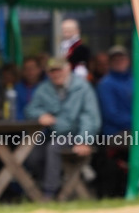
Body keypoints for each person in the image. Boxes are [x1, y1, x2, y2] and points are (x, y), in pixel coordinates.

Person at [24, 58, 101, 199]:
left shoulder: (82, 88)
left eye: (59, 70)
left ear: (67, 69)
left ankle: (49, 192)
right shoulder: (44, 89)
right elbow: (30, 110)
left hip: (76, 135)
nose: (56, 74)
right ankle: (49, 185)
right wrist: (41, 115)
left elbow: (90, 117)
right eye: (52, 71)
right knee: (32, 154)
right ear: (48, 73)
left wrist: (84, 140)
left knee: (54, 147)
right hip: (53, 135)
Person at [97, 46, 133, 137]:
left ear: (128, 61)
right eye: (115, 60)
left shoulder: (135, 80)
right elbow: (111, 114)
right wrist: (136, 122)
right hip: (115, 132)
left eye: (122, 59)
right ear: (110, 63)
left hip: (136, 128)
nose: (119, 62)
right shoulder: (105, 84)